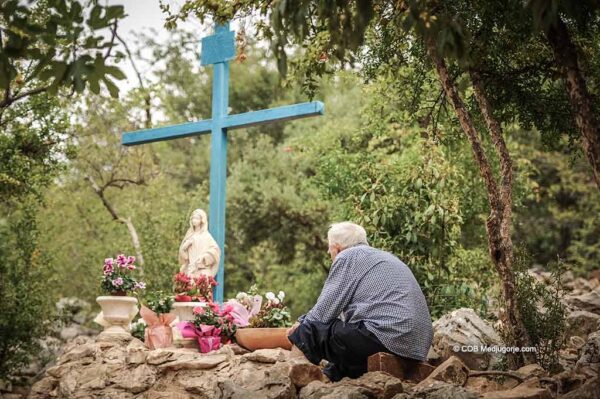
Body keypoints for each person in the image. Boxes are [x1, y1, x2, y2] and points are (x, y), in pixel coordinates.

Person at [287, 222, 433, 382]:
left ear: (336, 248)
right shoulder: (385, 257)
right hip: (416, 347)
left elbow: (324, 312)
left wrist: (301, 327)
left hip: (386, 336)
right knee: (338, 365)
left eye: (329, 250)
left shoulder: (348, 256)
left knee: (311, 332)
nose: (330, 254)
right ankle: (329, 379)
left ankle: (290, 380)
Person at [178, 209, 220, 278]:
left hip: (202, 271)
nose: (194, 220)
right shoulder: (189, 236)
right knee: (190, 287)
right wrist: (184, 247)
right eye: (193, 218)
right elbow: (185, 257)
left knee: (202, 286)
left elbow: (215, 251)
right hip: (190, 271)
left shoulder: (206, 236)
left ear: (202, 220)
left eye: (197, 218)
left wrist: (204, 257)